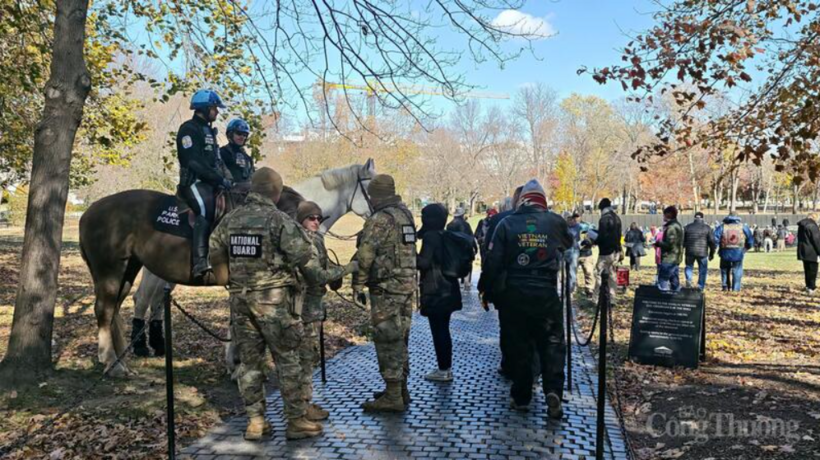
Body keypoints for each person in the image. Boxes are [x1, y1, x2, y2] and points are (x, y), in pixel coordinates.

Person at [209, 167, 321, 441]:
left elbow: (214, 247)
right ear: (276, 192)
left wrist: (225, 278)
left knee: (250, 363)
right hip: (274, 303)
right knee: (288, 360)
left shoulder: (231, 219)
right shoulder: (278, 220)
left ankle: (256, 422)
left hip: (241, 302)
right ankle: (296, 420)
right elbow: (304, 257)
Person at [482, 180, 572, 419]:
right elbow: (568, 243)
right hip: (546, 291)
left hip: (515, 293)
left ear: (522, 200)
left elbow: (493, 261)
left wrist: (486, 290)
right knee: (552, 343)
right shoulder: (555, 222)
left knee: (519, 345)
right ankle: (553, 390)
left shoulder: (507, 223)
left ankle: (521, 397)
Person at [353, 174, 417, 412]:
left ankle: (392, 396)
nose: (370, 199)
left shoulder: (380, 219)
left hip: (386, 289)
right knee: (401, 339)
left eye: (371, 195)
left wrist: (358, 284)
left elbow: (366, 254)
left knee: (387, 340)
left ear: (376, 195)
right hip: (406, 287)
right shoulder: (405, 215)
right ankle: (401, 389)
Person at [295, 201, 358, 422]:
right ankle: (302, 406)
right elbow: (317, 276)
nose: (316, 222)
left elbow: (325, 267)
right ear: (301, 219)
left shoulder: (317, 239)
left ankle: (303, 402)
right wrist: (348, 269)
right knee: (304, 357)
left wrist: (335, 273)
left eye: (319, 218)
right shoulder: (300, 241)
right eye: (311, 218)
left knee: (308, 355)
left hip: (314, 307)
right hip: (302, 308)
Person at [177, 89, 232, 280]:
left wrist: (227, 179)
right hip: (193, 182)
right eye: (215, 108)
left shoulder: (208, 130)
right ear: (205, 108)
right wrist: (218, 179)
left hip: (210, 183)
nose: (217, 112)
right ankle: (200, 262)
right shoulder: (188, 129)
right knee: (206, 210)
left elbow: (215, 161)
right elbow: (193, 161)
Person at [478, 186, 523, 379]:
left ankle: (509, 363)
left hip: (507, 283)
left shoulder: (499, 220)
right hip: (538, 283)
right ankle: (531, 368)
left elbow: (490, 255)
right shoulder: (544, 220)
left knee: (507, 325)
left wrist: (485, 285)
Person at [417, 204, 463, 382]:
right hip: (449, 288)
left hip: (435, 290)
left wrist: (410, 254)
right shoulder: (445, 234)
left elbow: (424, 263)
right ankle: (446, 368)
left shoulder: (431, 237)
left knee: (439, 331)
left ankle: (443, 369)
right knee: (444, 329)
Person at [714, 212, 754, 292]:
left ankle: (725, 286)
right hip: (738, 252)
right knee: (737, 270)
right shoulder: (743, 227)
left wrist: (716, 248)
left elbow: (715, 239)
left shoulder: (722, 227)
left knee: (725, 269)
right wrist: (745, 249)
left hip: (725, 252)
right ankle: (736, 288)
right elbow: (750, 240)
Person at [593, 198, 622, 301]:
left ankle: (597, 298)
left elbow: (602, 236)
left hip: (605, 251)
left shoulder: (604, 219)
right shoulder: (617, 218)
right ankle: (612, 298)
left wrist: (593, 240)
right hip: (616, 251)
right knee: (612, 275)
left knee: (599, 273)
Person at [683, 211, 716, 290]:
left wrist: (683, 249)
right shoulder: (707, 228)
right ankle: (700, 286)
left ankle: (689, 280)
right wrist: (712, 253)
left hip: (689, 251)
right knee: (702, 270)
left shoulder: (687, 227)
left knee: (689, 267)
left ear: (694, 218)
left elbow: (683, 241)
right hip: (702, 253)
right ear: (702, 218)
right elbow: (712, 241)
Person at [654, 206, 684, 291]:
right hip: (675, 257)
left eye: (664, 214)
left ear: (668, 215)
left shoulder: (672, 227)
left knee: (662, 280)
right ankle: (677, 296)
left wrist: (659, 243)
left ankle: (663, 296)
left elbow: (670, 244)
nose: (663, 217)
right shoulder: (678, 225)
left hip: (669, 258)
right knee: (674, 282)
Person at [446, 206, 477, 288]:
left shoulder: (449, 225)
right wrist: (475, 247)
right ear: (462, 215)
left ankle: (456, 281)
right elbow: (470, 237)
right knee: (468, 263)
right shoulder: (466, 225)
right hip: (465, 248)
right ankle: (467, 281)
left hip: (453, 249)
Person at [220, 118, 255, 184]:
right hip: (225, 188)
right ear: (230, 134)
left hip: (246, 189)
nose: (242, 137)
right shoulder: (221, 153)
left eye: (244, 135)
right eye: (239, 133)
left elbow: (252, 177)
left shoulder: (248, 158)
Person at [797, 213, 820, 294]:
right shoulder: (812, 226)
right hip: (812, 252)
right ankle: (811, 287)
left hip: (803, 251)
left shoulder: (801, 225)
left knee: (807, 270)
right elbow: (816, 240)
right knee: (813, 270)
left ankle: (808, 286)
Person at [566, 213, 588, 292]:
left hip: (574, 250)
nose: (570, 221)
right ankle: (565, 287)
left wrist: (583, 241)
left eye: (571, 219)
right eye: (568, 219)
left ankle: (571, 288)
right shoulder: (564, 227)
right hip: (565, 250)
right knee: (563, 271)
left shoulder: (579, 226)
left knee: (572, 270)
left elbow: (590, 227)